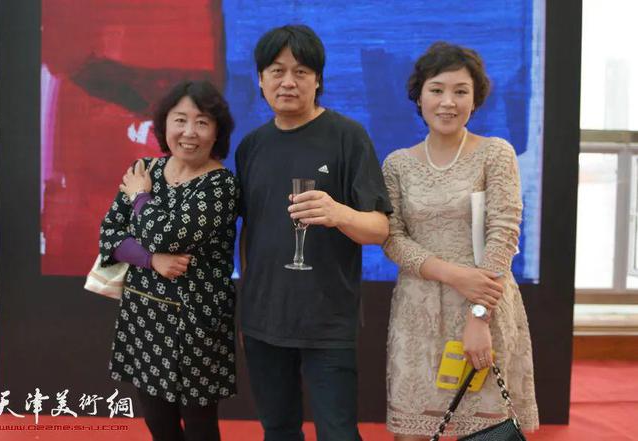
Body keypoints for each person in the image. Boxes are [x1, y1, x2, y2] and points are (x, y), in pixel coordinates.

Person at [235, 24, 392, 441]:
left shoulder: (348, 137)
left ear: (318, 79)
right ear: (260, 79)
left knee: (338, 432)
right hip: (264, 319)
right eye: (277, 71)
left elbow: (379, 229)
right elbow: (251, 234)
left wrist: (338, 213)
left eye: (301, 72)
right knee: (278, 430)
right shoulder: (251, 146)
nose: (288, 82)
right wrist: (248, 309)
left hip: (327, 319)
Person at [382, 42, 539, 440]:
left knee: (485, 431)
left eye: (460, 91)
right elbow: (392, 238)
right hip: (418, 311)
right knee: (413, 430)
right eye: (436, 90)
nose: (447, 102)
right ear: (419, 96)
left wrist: (478, 316)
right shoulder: (397, 163)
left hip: (483, 305)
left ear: (475, 98)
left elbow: (504, 231)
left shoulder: (495, 154)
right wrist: (454, 275)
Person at [98, 80, 238, 441]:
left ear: (217, 132)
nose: (189, 132)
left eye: (202, 122)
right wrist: (151, 260)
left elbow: (169, 236)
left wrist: (140, 198)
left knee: (199, 426)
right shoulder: (144, 169)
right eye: (180, 120)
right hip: (144, 316)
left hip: (197, 324)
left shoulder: (221, 185)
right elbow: (109, 235)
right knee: (158, 423)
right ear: (164, 125)